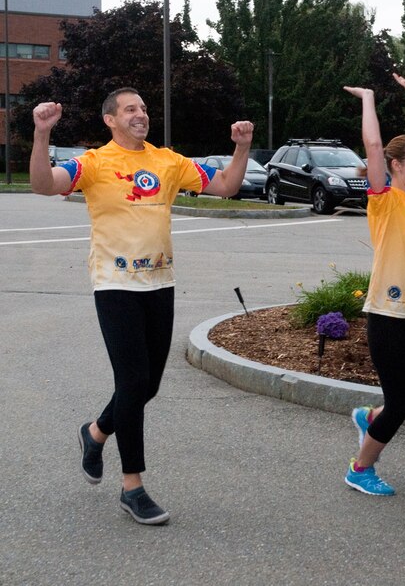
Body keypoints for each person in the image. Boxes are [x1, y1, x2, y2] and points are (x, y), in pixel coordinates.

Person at [30, 87, 254, 524]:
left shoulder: (168, 161)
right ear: (110, 119)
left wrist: (240, 148)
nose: (141, 115)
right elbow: (43, 184)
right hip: (115, 285)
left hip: (159, 282)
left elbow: (226, 185)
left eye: (144, 109)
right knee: (133, 382)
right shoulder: (93, 163)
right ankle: (132, 486)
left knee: (147, 386)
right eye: (130, 109)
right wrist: (41, 135)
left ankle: (95, 433)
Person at [342, 74, 405, 496]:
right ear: (396, 166)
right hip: (387, 315)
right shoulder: (385, 199)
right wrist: (368, 99)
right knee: (401, 402)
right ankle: (360, 468)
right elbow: (372, 147)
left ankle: (371, 417)